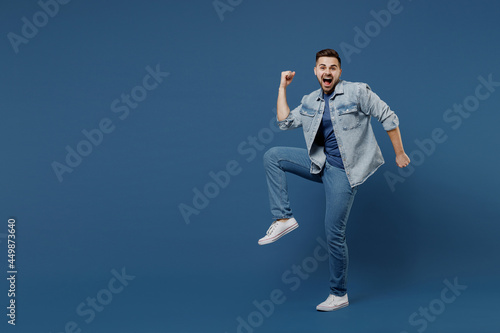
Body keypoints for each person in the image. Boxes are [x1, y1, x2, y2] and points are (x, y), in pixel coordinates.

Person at [259, 49, 410, 311]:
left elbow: (388, 116)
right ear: (316, 71)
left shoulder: (357, 92)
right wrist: (282, 87)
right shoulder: (310, 100)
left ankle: (338, 294)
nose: (327, 72)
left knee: (333, 234)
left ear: (339, 72)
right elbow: (284, 122)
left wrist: (399, 152)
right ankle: (283, 217)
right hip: (320, 162)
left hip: (344, 171)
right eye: (322, 67)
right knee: (273, 155)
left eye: (332, 67)